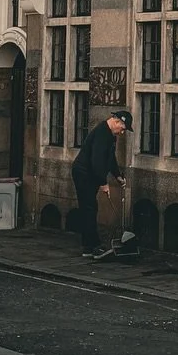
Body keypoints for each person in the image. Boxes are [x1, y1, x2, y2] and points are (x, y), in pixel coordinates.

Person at [71, 109, 130, 258]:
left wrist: (117, 176)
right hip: (84, 173)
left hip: (90, 174)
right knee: (89, 208)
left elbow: (110, 159)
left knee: (89, 208)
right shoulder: (102, 134)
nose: (122, 133)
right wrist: (103, 183)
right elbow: (97, 162)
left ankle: (89, 246)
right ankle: (92, 246)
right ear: (117, 122)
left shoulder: (110, 135)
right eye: (122, 129)